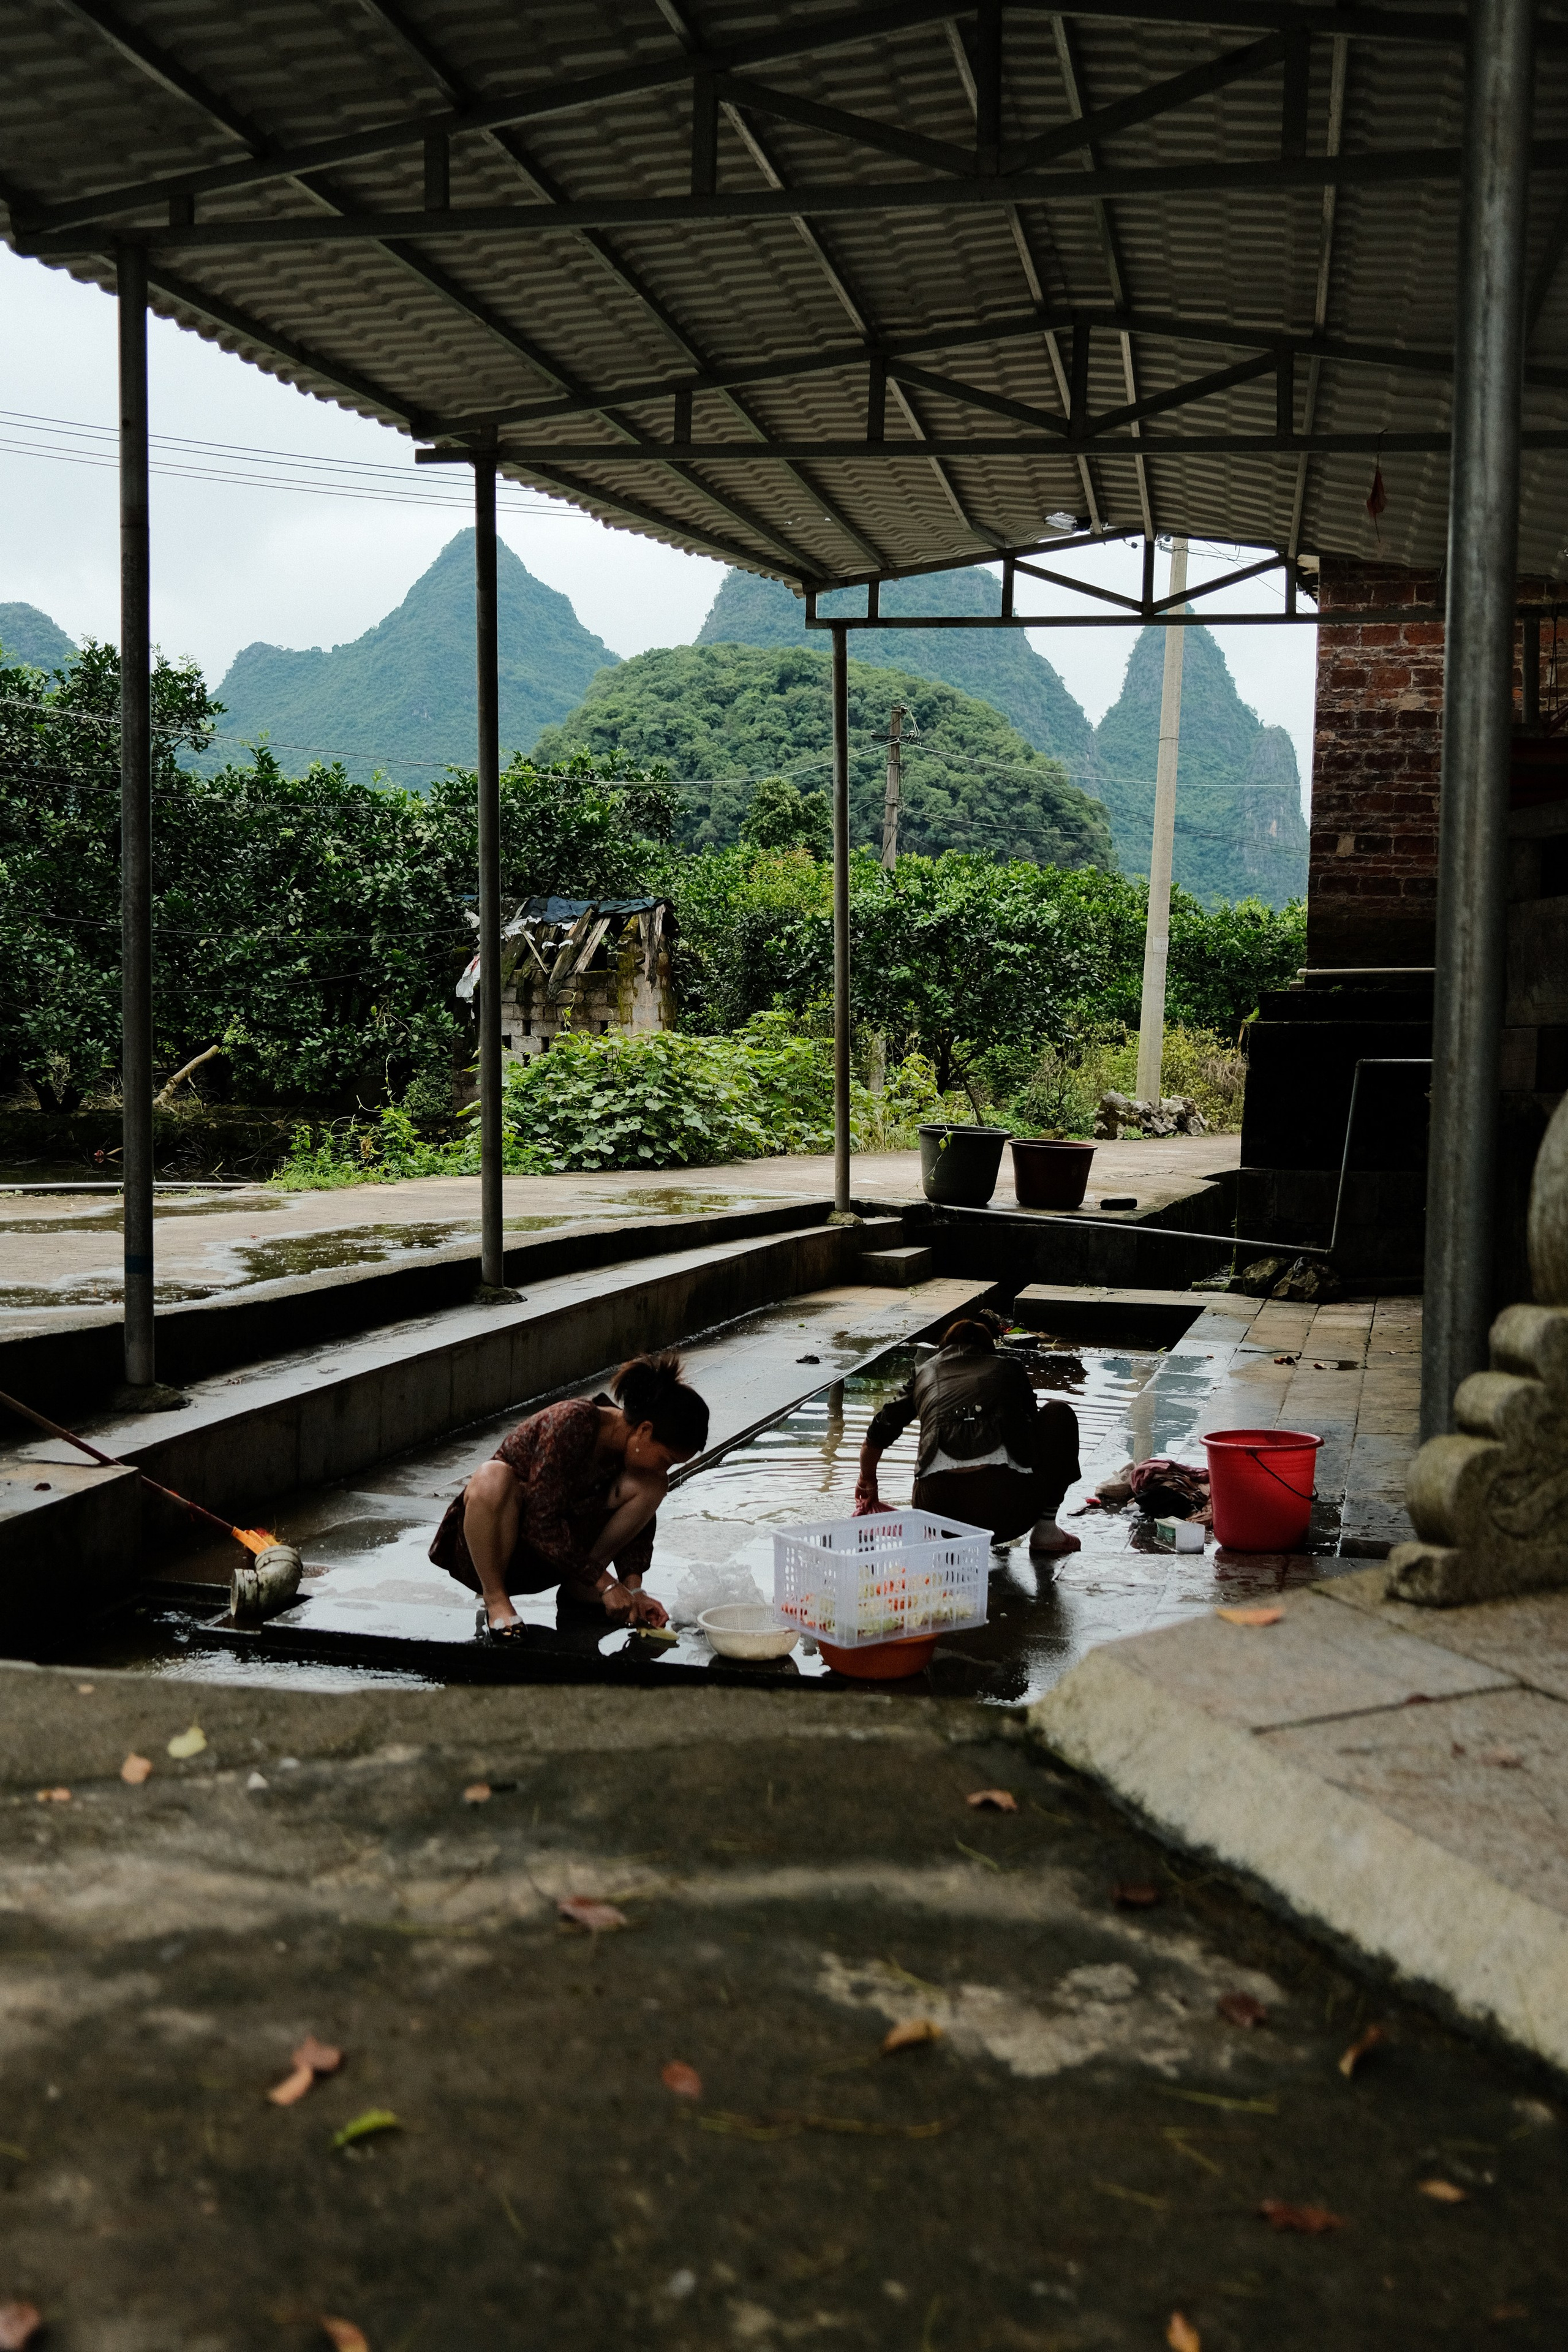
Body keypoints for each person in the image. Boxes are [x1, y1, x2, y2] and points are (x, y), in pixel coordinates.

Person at [429, 1352, 710, 1641]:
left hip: (560, 1563)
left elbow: (638, 1528)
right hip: (503, 1552)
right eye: (666, 1459)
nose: (665, 1468)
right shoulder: (571, 1422)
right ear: (644, 1430)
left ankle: (583, 1586)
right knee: (491, 1476)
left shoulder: (630, 1455)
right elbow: (541, 1523)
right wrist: (607, 1586)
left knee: (653, 1484)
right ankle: (496, 1600)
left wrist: (633, 1589)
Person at [853, 1316, 1081, 1556]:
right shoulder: (1008, 1366)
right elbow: (1033, 1433)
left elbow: (876, 1435)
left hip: (937, 1521)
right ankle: (1046, 1530)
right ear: (989, 1351)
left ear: (943, 1350)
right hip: (1009, 1515)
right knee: (1058, 1413)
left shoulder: (923, 1373)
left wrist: (867, 1481)